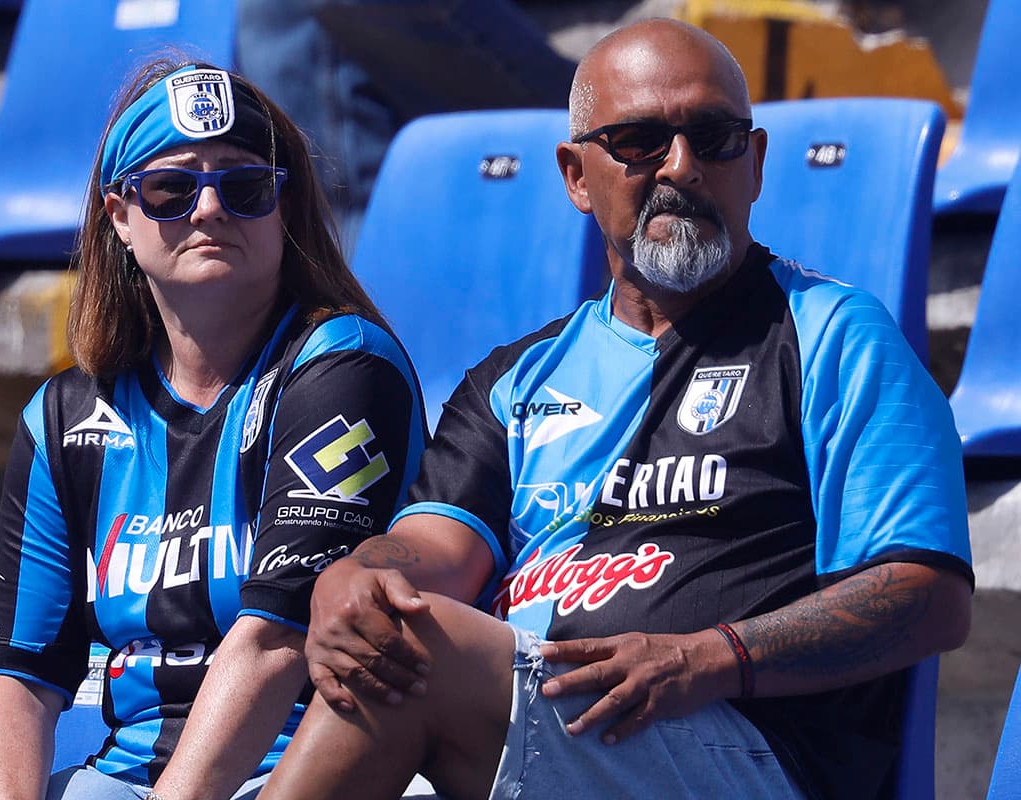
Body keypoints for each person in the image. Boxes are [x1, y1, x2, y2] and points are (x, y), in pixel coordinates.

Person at [257, 18, 974, 800]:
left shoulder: (835, 335)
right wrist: (353, 577)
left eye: (715, 137)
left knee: (418, 661)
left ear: (757, 163)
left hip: (748, 753)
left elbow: (927, 596)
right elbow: (430, 551)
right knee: (384, 631)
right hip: (535, 733)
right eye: (638, 140)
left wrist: (707, 658)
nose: (683, 166)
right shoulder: (518, 378)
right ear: (574, 175)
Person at [0, 56, 428, 800]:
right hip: (125, 776)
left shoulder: (344, 368)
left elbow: (277, 642)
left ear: (282, 208)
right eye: (172, 190)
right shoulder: (62, 418)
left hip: (306, 768)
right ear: (120, 215)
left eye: (243, 188)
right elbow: (17, 678)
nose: (208, 210)